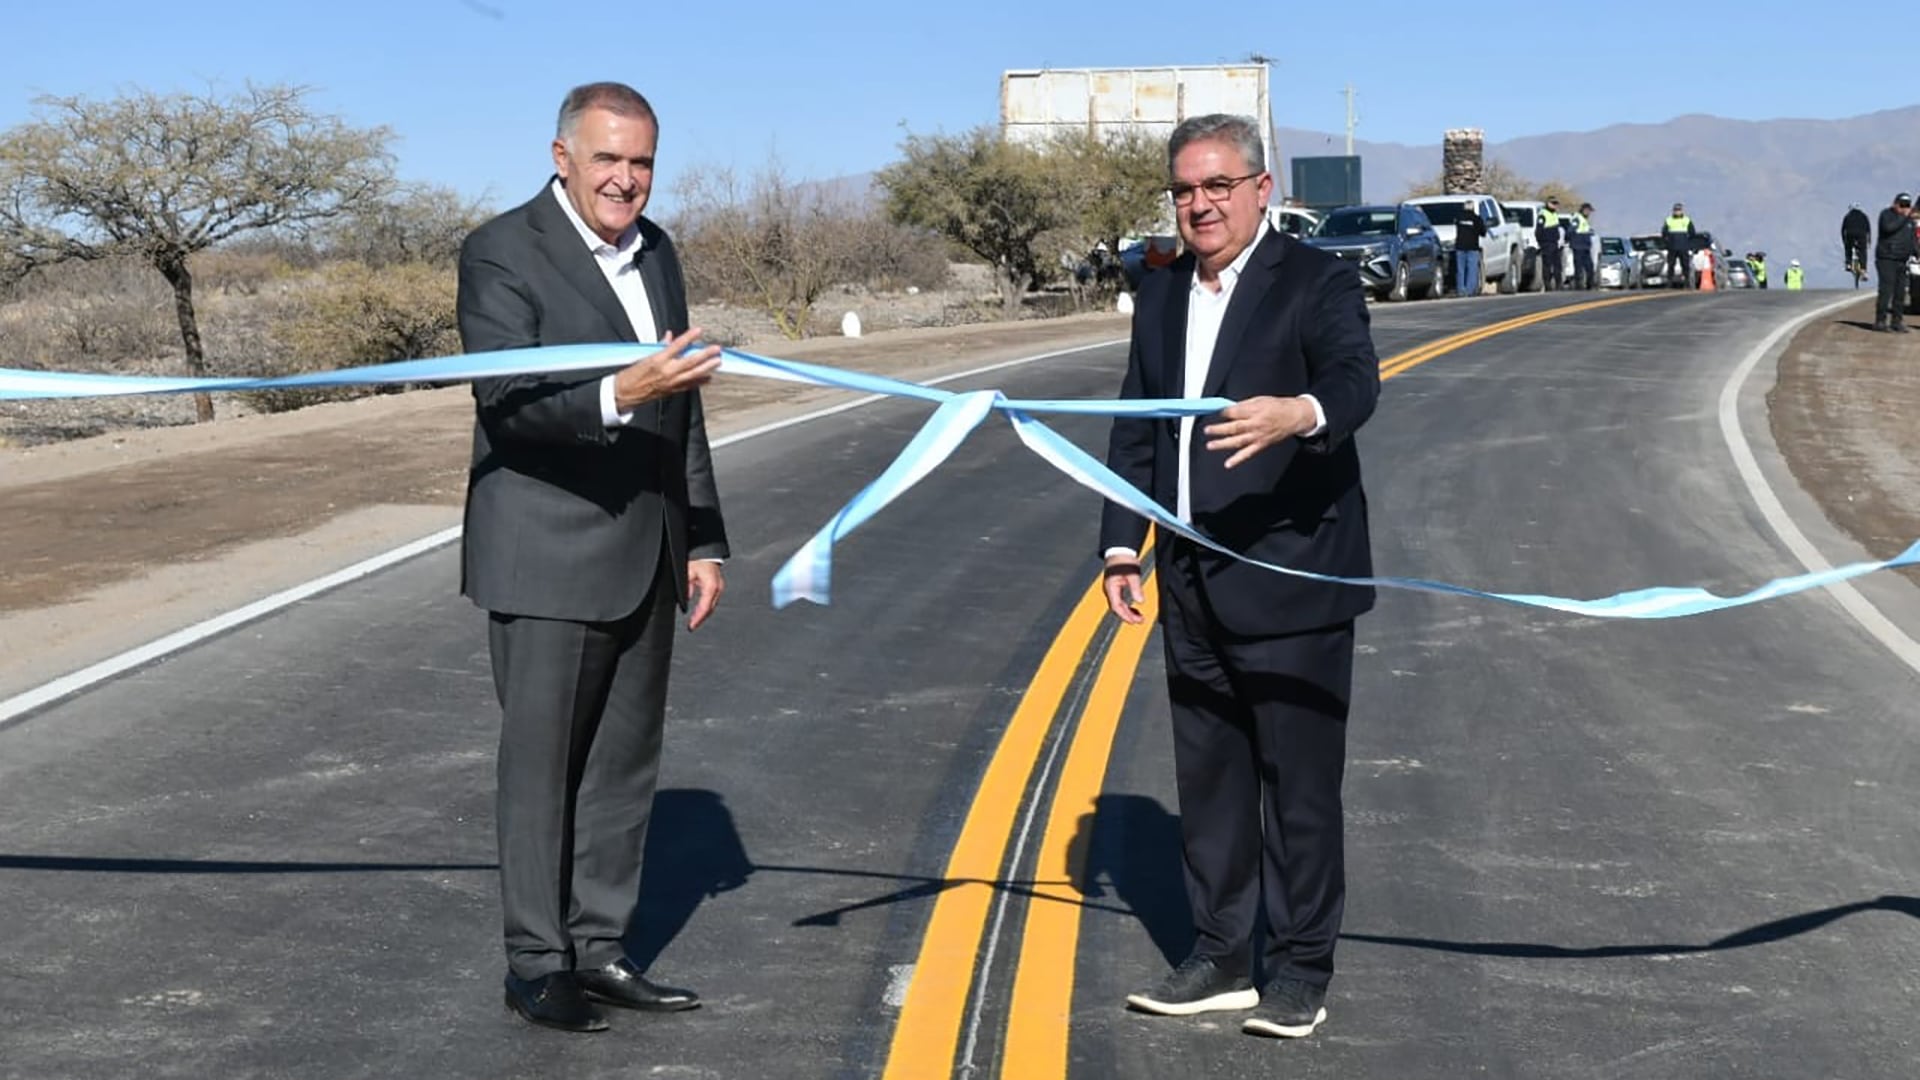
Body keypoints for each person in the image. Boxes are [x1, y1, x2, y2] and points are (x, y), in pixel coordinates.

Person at [457, 81, 730, 1033]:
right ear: (561, 156)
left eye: (642, 161)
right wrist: (619, 389)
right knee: (541, 771)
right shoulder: (499, 251)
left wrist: (700, 536)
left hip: (647, 548)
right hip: (548, 554)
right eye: (608, 158)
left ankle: (602, 947)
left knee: (623, 767)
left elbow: (681, 405)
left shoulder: (659, 253)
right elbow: (509, 401)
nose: (626, 179)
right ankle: (536, 962)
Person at [1100, 112, 1379, 1042]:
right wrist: (1119, 545)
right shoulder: (1162, 294)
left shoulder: (1318, 281)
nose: (1200, 204)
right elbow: (1138, 426)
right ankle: (1221, 954)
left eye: (1218, 185)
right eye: (1185, 189)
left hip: (1294, 582)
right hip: (1189, 580)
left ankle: (1301, 969)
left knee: (1297, 789)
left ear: (1262, 190)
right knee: (1210, 781)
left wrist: (1298, 413)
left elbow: (1354, 381)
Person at [1874, 192, 1915, 331]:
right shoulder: (1887, 215)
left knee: (1900, 293)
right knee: (1886, 290)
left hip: (1902, 260)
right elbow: (1888, 228)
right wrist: (1904, 217)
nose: (1904, 208)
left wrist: (1916, 252)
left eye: (1907, 205)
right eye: (1902, 205)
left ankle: (1897, 321)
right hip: (1887, 258)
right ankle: (1880, 321)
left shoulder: (1909, 222)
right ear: (1895, 203)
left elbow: (1912, 239)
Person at [1454, 199, 1484, 298]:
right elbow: (1483, 232)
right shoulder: (1476, 218)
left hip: (1460, 247)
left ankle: (1460, 290)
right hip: (1473, 247)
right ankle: (1469, 291)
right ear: (1473, 208)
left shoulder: (1458, 217)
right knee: (1472, 269)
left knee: (1460, 270)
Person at [1662, 203, 1696, 289]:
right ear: (1673, 211)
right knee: (1671, 265)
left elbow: (1692, 232)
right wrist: (1668, 241)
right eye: (1676, 210)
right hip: (1672, 247)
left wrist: (1686, 241)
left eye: (1679, 210)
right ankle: (1669, 283)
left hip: (1683, 247)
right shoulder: (1669, 220)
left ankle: (1687, 283)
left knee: (1685, 265)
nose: (1677, 212)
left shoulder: (1687, 220)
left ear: (1682, 211)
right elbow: (1664, 233)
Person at [1536, 196, 1564, 291]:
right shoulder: (1543, 214)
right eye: (1553, 203)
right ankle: (1548, 285)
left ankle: (1558, 284)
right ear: (1548, 203)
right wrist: (1541, 243)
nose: (1555, 205)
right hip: (1546, 243)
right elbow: (1538, 231)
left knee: (1557, 265)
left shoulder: (1555, 214)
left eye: (1556, 204)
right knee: (1547, 265)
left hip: (1554, 242)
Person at [1569, 202, 1596, 289]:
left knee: (1590, 267)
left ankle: (1590, 284)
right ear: (1583, 210)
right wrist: (1573, 241)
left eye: (1590, 211)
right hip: (1578, 247)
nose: (1589, 213)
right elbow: (1570, 231)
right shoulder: (1577, 219)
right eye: (1588, 211)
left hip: (1585, 247)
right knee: (1578, 267)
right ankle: (1579, 285)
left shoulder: (1585, 220)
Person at [1843, 203, 1872, 279]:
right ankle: (1863, 270)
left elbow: (1843, 230)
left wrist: (1844, 241)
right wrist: (1869, 241)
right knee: (1863, 251)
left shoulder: (1847, 216)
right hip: (1861, 236)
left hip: (1850, 235)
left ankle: (1848, 264)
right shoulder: (1864, 216)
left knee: (1848, 248)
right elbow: (1868, 229)